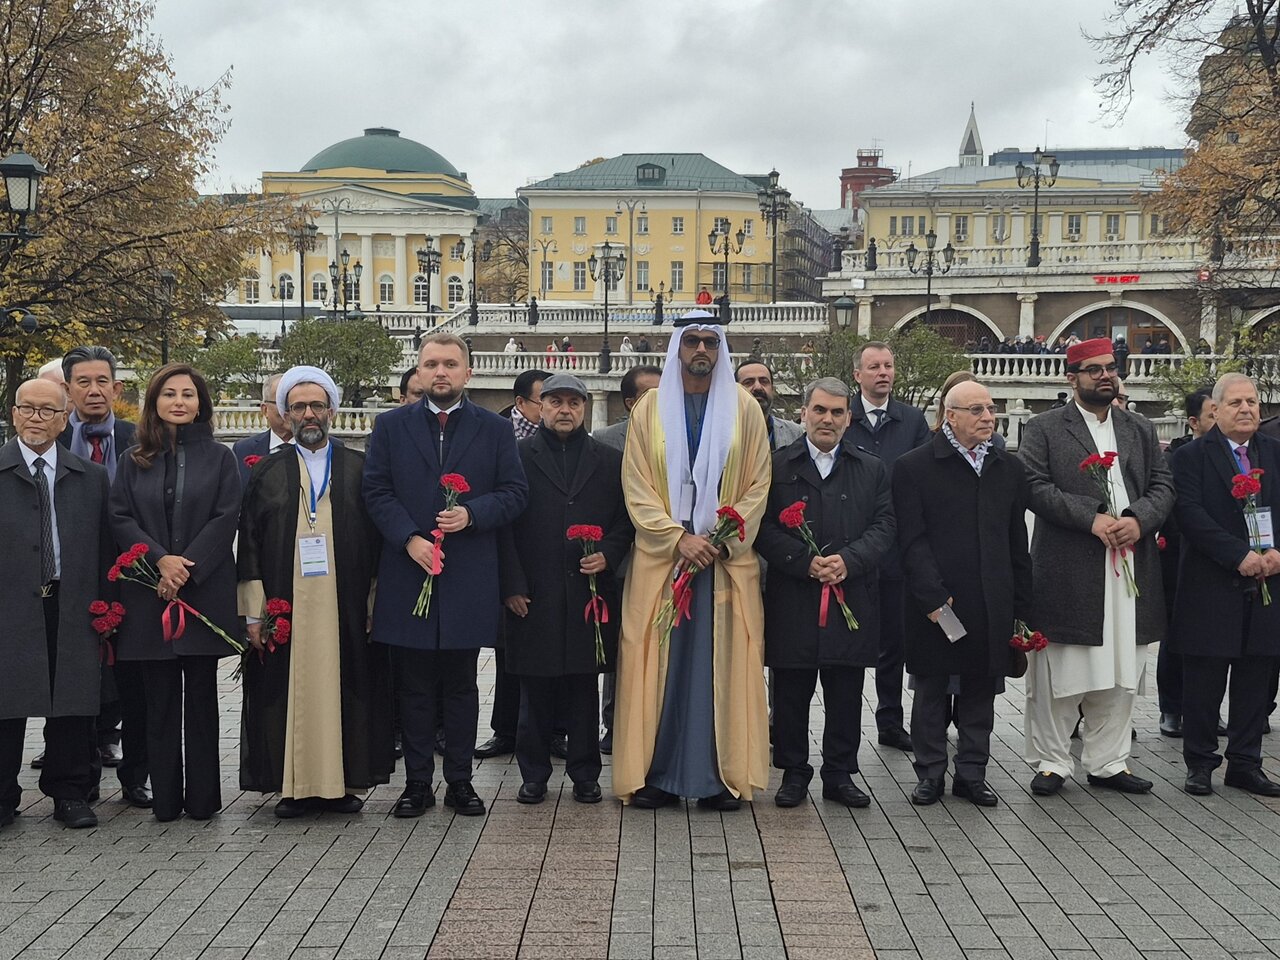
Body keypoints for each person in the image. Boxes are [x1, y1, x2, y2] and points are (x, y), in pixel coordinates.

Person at [364, 333, 528, 818]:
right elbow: (376, 491)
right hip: (408, 570)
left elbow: (516, 492)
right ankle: (417, 784)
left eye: (450, 364)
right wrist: (410, 538)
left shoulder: (494, 431)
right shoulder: (390, 426)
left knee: (461, 685)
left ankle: (460, 780)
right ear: (418, 372)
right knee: (412, 687)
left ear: (467, 373)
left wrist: (473, 514)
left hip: (467, 575)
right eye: (431, 364)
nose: (440, 372)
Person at [614, 309, 771, 809]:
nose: (700, 350)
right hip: (664, 560)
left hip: (722, 563)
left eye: (709, 341)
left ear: (720, 348)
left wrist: (720, 540)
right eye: (691, 341)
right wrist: (676, 538)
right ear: (677, 348)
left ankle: (719, 778)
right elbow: (636, 486)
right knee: (657, 662)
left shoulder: (745, 409)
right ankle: (654, 775)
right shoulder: (650, 409)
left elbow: (756, 486)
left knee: (718, 668)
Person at [1018, 338, 1175, 797]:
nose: (1105, 376)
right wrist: (1092, 518)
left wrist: (1137, 520)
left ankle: (1109, 761)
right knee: (1061, 670)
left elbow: (1163, 486)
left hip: (1129, 565)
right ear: (1072, 378)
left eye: (1110, 368)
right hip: (1070, 566)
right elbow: (1032, 486)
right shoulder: (1045, 427)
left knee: (1124, 665)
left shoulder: (1139, 428)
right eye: (1093, 370)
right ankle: (1051, 760)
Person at [238, 366, 392, 817]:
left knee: (346, 688)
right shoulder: (266, 471)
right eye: (299, 407)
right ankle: (294, 787)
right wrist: (253, 613)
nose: (309, 414)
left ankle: (340, 785)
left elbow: (378, 544)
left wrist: (373, 604)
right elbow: (248, 543)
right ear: (285, 414)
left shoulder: (359, 468)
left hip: (345, 606)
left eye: (317, 406)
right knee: (287, 691)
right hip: (285, 607)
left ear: (332, 411)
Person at [109, 364, 242, 822]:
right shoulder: (134, 458)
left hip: (201, 591)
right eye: (170, 393)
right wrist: (160, 560)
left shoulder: (221, 458)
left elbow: (226, 517)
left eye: (189, 394)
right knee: (158, 702)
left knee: (202, 700)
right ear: (155, 401)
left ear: (201, 403)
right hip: (150, 593)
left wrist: (186, 568)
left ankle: (203, 799)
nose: (180, 401)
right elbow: (122, 518)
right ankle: (165, 799)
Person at [755, 377, 895, 809]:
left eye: (837, 412)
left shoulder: (871, 467)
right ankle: (794, 772)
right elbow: (761, 527)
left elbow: (886, 525)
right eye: (819, 410)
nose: (827, 419)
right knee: (791, 691)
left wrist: (849, 561)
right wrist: (802, 560)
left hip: (850, 595)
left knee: (845, 691)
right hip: (794, 597)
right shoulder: (777, 465)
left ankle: (839, 773)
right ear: (804, 413)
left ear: (849, 418)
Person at [894, 380, 1033, 806]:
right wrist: (932, 596)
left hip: (992, 598)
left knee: (979, 692)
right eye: (977, 409)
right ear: (950, 415)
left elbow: (1016, 542)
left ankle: (972, 773)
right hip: (938, 603)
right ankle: (930, 773)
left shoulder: (1007, 468)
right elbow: (911, 541)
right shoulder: (914, 466)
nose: (988, 417)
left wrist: (1023, 608)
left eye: (990, 409)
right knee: (933, 690)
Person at [500, 374, 633, 805]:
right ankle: (533, 773)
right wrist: (513, 585)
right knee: (534, 688)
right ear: (540, 407)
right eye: (554, 401)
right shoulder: (516, 457)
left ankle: (585, 772)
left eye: (573, 402)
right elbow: (504, 527)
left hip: (588, 591)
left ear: (584, 408)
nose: (564, 410)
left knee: (583, 685)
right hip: (533, 592)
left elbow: (624, 521)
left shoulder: (609, 459)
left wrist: (609, 554)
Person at [0, 379, 114, 830]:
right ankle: (3, 796)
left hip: (71, 601)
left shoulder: (90, 477)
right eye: (27, 409)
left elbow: (105, 546)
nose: (36, 418)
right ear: (13, 413)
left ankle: (68, 791)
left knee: (71, 700)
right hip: (9, 605)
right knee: (5, 702)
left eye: (48, 411)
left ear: (64, 419)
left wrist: (107, 607)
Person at [1170, 374, 1280, 796]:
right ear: (1215, 410)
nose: (1246, 409)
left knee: (1257, 680)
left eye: (1251, 401)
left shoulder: (1273, 452)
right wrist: (1238, 555)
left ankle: (1246, 763)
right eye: (1235, 402)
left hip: (1267, 584)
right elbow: (1191, 515)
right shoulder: (1191, 456)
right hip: (1211, 584)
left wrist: (1274, 554)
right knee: (1204, 682)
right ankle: (1200, 762)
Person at [55, 345, 149, 809]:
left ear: (117, 387)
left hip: (136, 577)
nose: (94, 391)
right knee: (78, 681)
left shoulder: (140, 440)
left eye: (102, 382)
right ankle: (80, 779)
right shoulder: (50, 443)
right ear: (67, 390)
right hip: (72, 579)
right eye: (82, 382)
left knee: (137, 681)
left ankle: (137, 776)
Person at [845, 341, 931, 753]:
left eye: (889, 366)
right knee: (848, 637)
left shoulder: (912, 420)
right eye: (874, 366)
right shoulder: (844, 415)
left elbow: (920, 480)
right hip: (849, 548)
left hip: (894, 551)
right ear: (857, 375)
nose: (883, 373)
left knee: (893, 642)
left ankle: (890, 721)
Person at [476, 368, 552, 761]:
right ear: (521, 403)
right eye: (546, 399)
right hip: (510, 555)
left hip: (553, 561)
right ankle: (504, 730)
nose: (553, 407)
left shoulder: (564, 437)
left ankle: (554, 732)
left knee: (554, 648)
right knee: (508, 652)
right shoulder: (497, 437)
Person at [592, 364, 662, 754]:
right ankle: (614, 723)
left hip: (666, 558)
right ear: (630, 402)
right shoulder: (605, 442)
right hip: (620, 561)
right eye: (650, 395)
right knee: (621, 645)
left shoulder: (677, 438)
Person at [1157, 389, 1217, 738]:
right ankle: (1172, 708)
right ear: (1194, 421)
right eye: (1212, 413)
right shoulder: (1178, 457)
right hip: (1179, 557)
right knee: (1176, 636)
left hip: (1221, 562)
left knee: (1213, 640)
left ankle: (1206, 710)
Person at [232, 374, 293, 488]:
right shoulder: (243, 449)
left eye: (296, 404)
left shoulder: (324, 448)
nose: (290, 410)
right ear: (265, 410)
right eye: (283, 403)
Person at [736, 360, 804, 453]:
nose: (758, 387)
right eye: (748, 382)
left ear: (772, 389)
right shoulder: (722, 433)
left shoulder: (795, 433)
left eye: (764, 381)